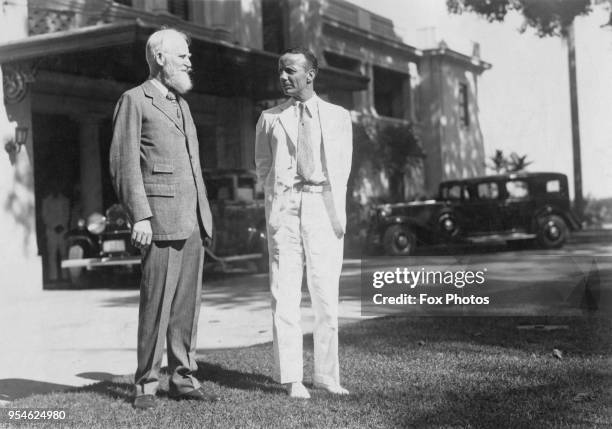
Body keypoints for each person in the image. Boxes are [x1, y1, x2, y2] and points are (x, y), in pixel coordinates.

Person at [109, 28, 216, 410]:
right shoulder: (134, 101)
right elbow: (124, 165)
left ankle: (184, 378)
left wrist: (205, 214)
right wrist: (140, 215)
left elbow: (192, 166)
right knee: (156, 305)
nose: (190, 61)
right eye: (182, 55)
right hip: (158, 220)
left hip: (192, 220)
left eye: (189, 55)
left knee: (187, 307)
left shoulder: (182, 105)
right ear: (159, 58)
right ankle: (146, 385)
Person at [255, 47, 353, 399]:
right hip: (286, 210)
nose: (283, 76)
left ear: (310, 74)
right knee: (285, 296)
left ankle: (327, 376)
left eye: (291, 70)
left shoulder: (339, 116)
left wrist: (331, 204)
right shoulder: (270, 118)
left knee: (326, 297)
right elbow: (263, 169)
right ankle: (292, 377)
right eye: (280, 70)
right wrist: (276, 206)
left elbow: (343, 167)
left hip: (323, 207)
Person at [41, 183, 70, 282]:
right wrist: (54, 226)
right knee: (52, 255)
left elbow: (67, 214)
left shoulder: (65, 200)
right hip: (51, 231)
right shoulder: (46, 201)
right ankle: (53, 277)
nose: (55, 189)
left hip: (63, 230)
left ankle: (65, 276)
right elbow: (45, 216)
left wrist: (63, 225)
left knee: (64, 253)